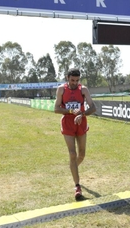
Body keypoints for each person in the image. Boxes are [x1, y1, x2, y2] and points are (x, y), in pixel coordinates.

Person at [54, 68, 96, 201]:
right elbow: (56, 109)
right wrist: (72, 111)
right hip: (68, 122)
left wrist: (81, 114)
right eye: (72, 80)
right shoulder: (61, 89)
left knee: (81, 154)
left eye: (77, 80)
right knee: (73, 154)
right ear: (67, 78)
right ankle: (77, 187)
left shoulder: (83, 89)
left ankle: (73, 168)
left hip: (81, 123)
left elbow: (93, 108)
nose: (74, 83)